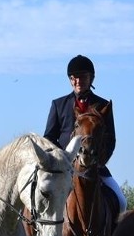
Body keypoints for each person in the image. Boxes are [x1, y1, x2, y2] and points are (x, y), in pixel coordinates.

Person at [44, 54, 127, 216]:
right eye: (73, 78)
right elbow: (48, 138)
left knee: (121, 201)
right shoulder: (58, 104)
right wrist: (59, 159)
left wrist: (100, 162)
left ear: (91, 78)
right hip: (64, 167)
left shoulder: (103, 105)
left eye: (82, 77)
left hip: (94, 166)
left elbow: (110, 139)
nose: (77, 81)